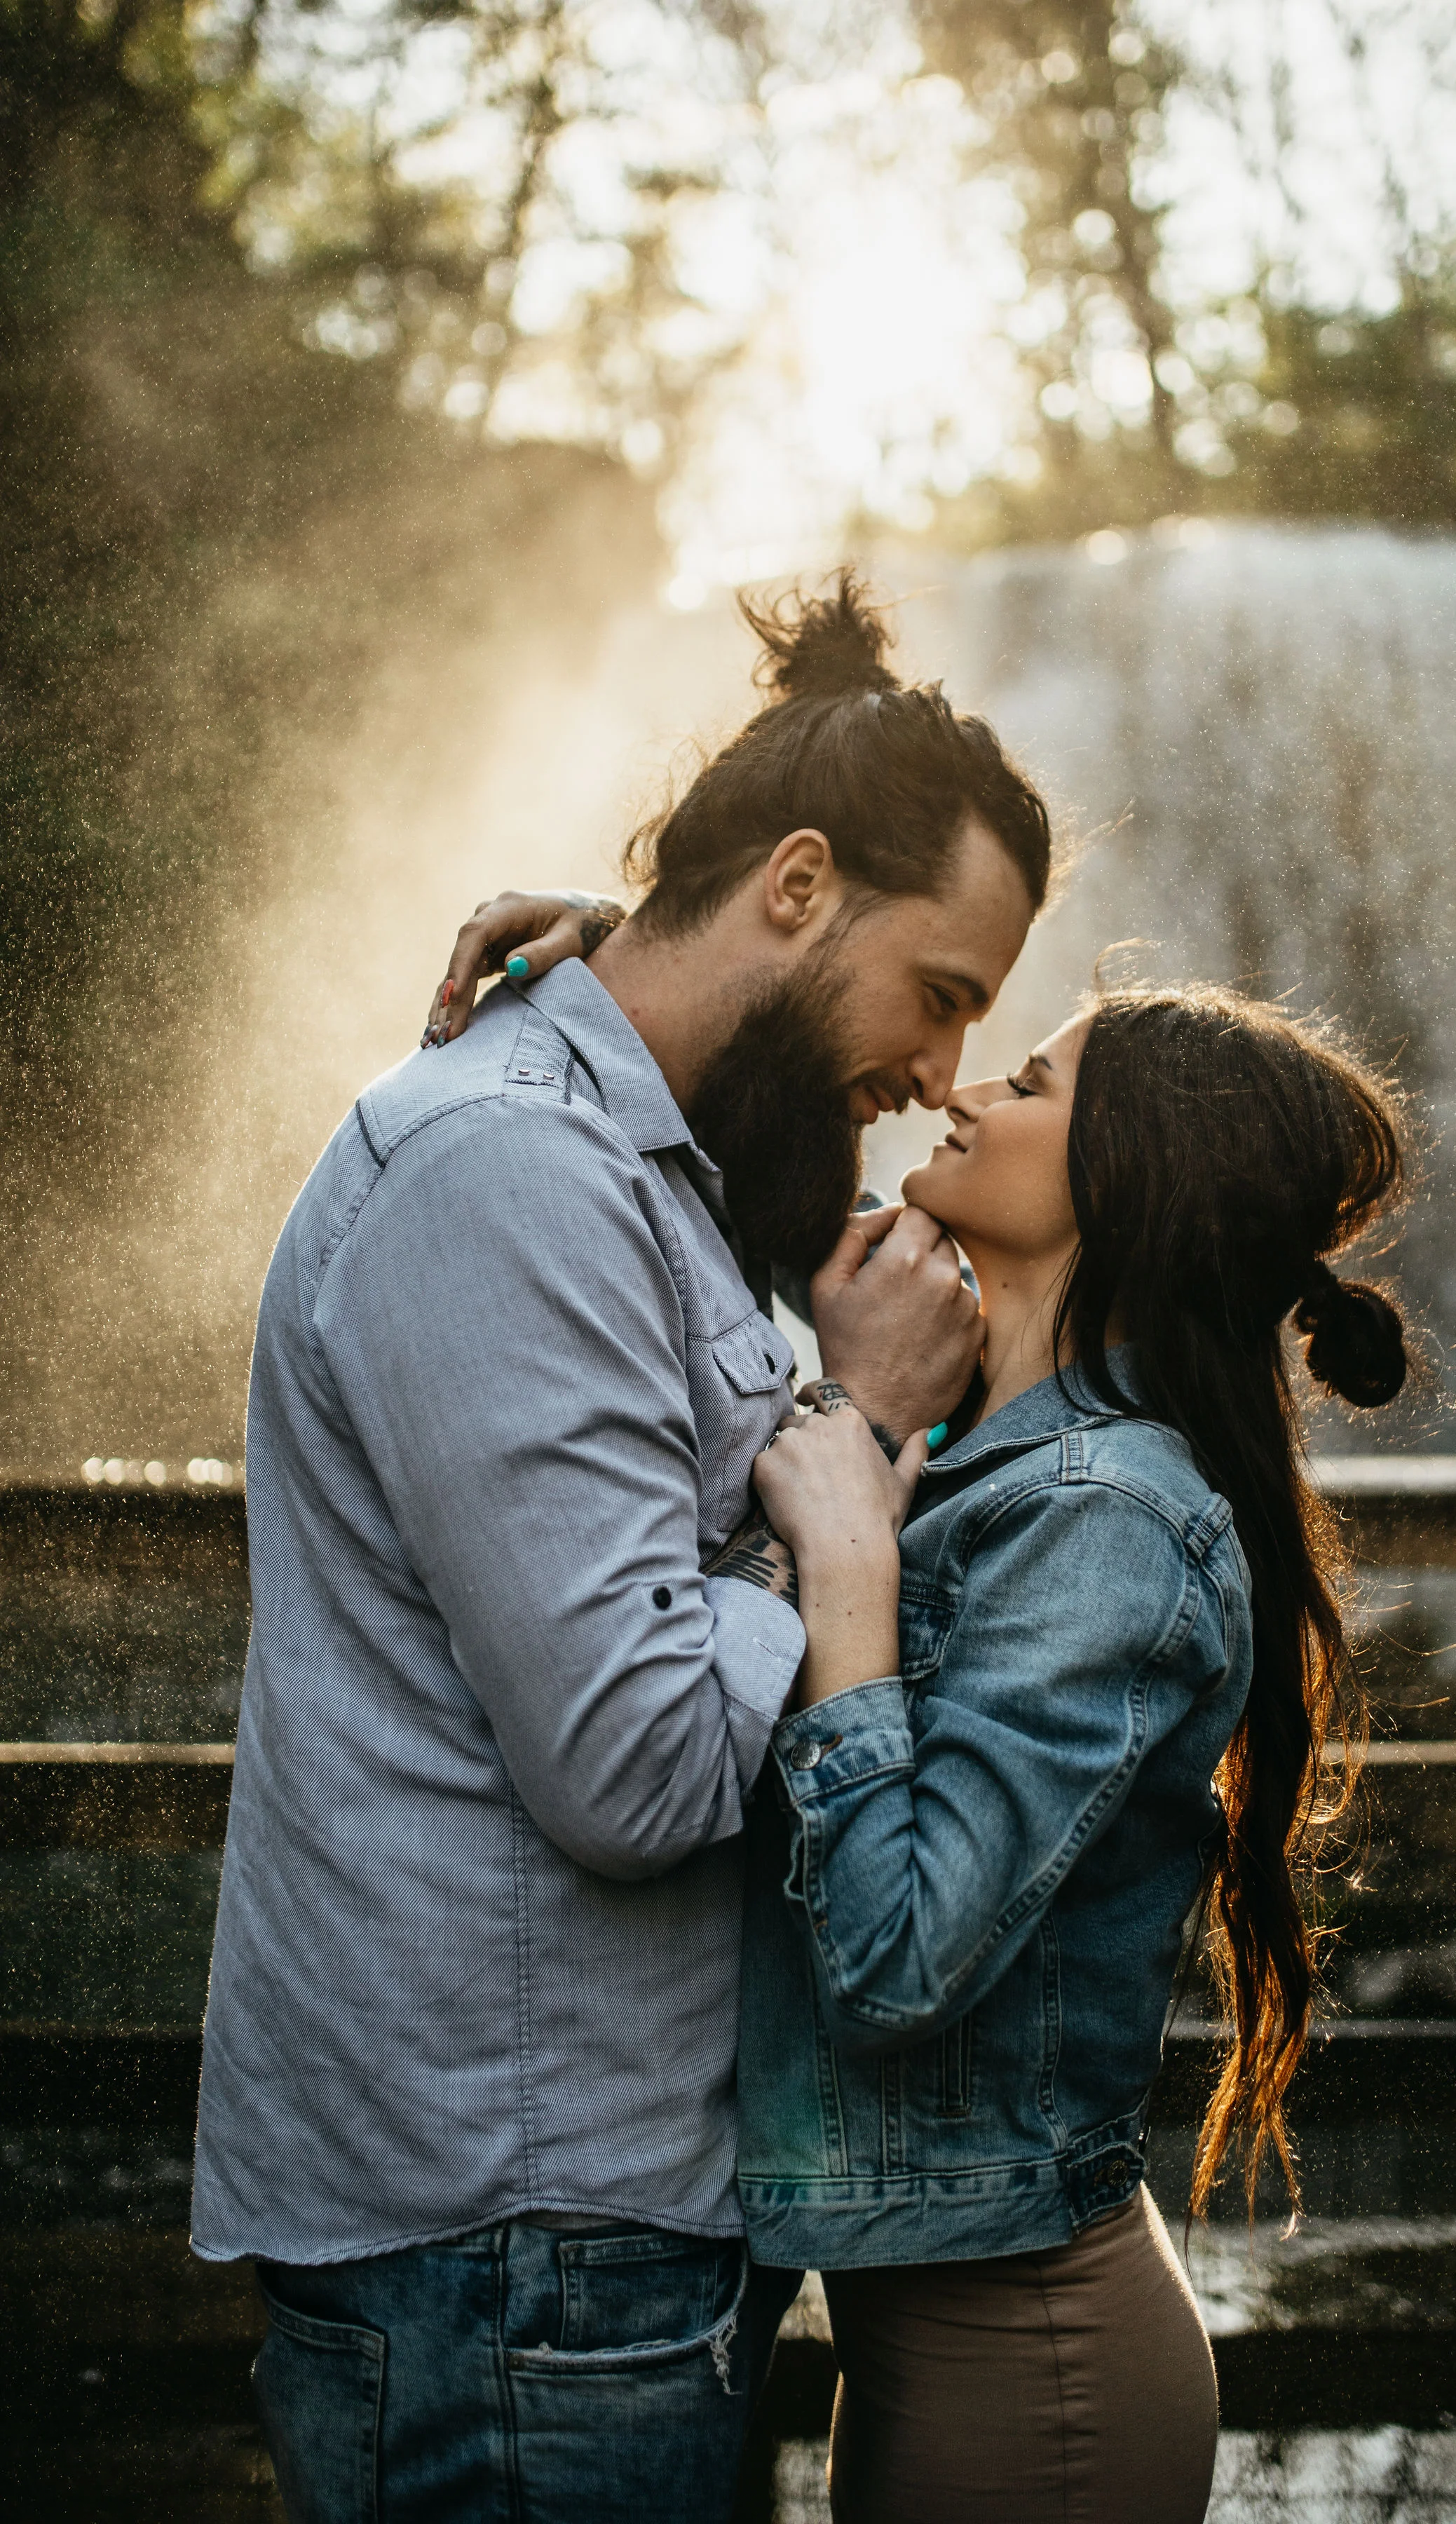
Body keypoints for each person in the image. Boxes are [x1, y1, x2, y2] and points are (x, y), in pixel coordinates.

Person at [191, 575, 1052, 2522]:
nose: (940, 1077)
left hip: (583, 2234)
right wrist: (868, 1431)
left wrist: (619, 947)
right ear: (806, 884)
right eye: (948, 997)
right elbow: (640, 1767)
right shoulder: (515, 1174)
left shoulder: (658, 1163)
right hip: (511, 2243)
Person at [736, 984, 1413, 2523]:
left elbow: (899, 1958)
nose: (967, 1092)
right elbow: (750, 1163)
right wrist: (608, 962)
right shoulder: (984, 1430)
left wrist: (847, 1573)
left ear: (1121, 1180)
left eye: (1030, 1083)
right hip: (946, 2328)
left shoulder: (1107, 1519)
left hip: (1027, 2361)